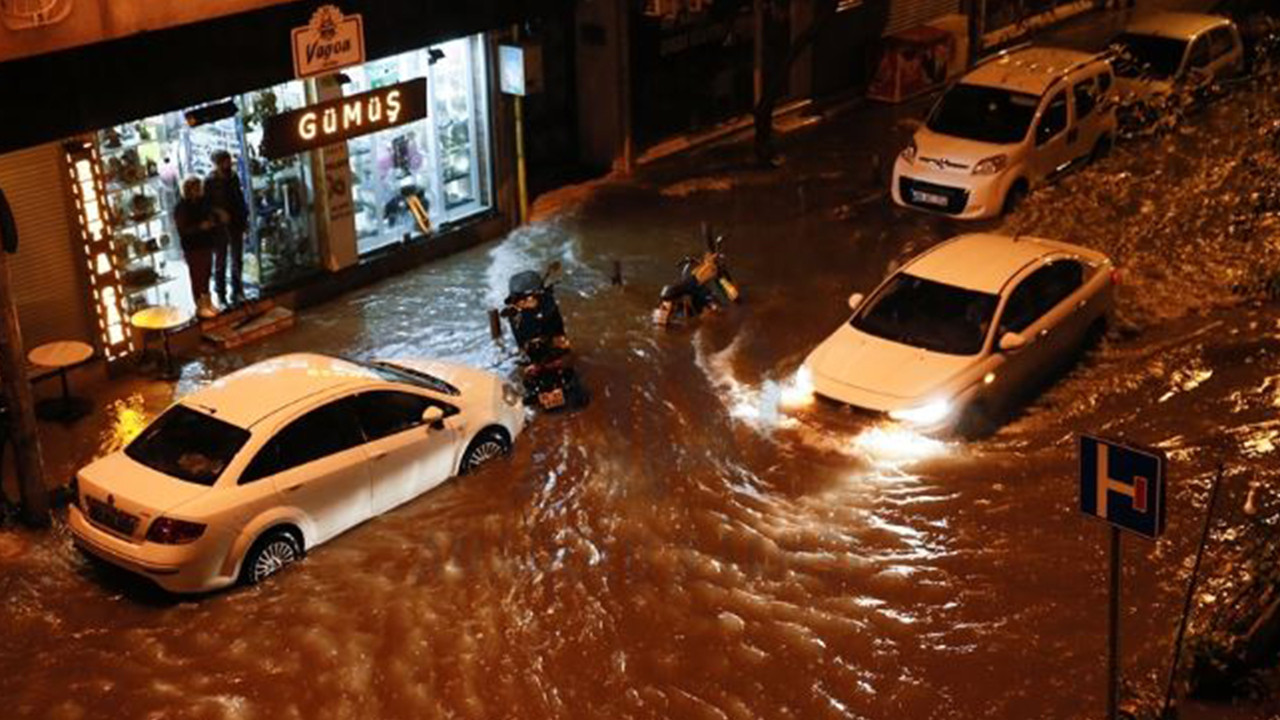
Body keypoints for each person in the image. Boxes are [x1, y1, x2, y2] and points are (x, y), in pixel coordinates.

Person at [173, 176, 222, 319]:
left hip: (205, 242)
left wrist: (212, 222)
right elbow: (183, 228)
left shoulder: (203, 203)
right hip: (192, 246)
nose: (200, 191)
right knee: (197, 275)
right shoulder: (182, 207)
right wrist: (199, 227)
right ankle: (200, 304)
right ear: (189, 190)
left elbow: (210, 215)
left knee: (206, 273)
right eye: (197, 188)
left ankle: (208, 301)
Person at [205, 150, 249, 306]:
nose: (228, 165)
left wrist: (244, 220)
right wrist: (218, 212)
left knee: (237, 259)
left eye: (228, 161)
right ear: (216, 164)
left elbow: (239, 199)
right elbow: (206, 206)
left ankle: (237, 290)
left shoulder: (233, 177)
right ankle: (221, 294)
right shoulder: (210, 182)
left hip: (236, 222)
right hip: (220, 227)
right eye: (224, 162)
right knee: (221, 261)